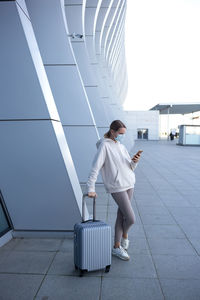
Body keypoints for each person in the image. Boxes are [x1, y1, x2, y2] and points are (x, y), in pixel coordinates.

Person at [86, 120, 142, 261]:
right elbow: (95, 167)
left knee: (121, 216)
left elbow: (129, 166)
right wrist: (90, 188)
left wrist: (134, 161)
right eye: (120, 133)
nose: (122, 136)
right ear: (112, 131)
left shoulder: (121, 146)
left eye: (124, 133)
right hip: (117, 186)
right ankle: (124, 235)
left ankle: (116, 247)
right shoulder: (105, 146)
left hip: (129, 183)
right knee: (131, 218)